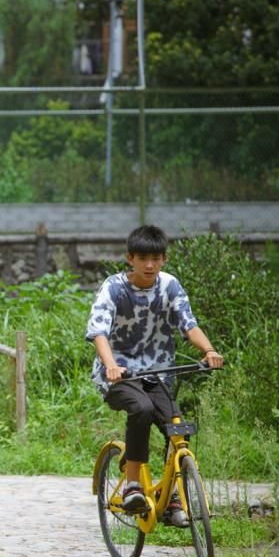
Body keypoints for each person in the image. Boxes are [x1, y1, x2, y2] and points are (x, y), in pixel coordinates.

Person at [85, 225, 224, 527]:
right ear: (130, 258)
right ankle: (133, 486)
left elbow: (189, 325)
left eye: (156, 258)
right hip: (119, 375)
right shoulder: (114, 288)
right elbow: (98, 331)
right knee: (142, 410)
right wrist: (110, 365)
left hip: (158, 373)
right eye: (143, 258)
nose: (149, 265)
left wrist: (209, 350)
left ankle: (172, 496)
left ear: (164, 259)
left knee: (177, 426)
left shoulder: (170, 286)